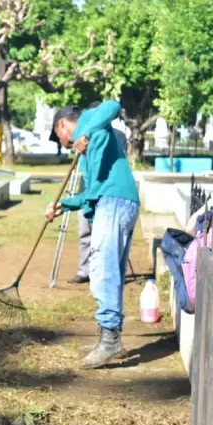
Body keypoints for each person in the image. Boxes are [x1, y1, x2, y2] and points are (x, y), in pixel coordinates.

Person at [46, 100, 140, 369]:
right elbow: (91, 193)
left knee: (101, 270)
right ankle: (111, 338)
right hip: (113, 200)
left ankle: (109, 340)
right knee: (112, 271)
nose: (63, 143)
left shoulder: (89, 120)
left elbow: (112, 105)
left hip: (115, 201)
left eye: (60, 137)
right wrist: (62, 205)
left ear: (62, 124)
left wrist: (85, 133)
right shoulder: (85, 149)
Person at [70, 101, 129, 285]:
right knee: (84, 231)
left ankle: (106, 272)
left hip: (107, 192)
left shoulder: (117, 136)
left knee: (106, 236)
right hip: (88, 190)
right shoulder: (82, 133)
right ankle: (84, 270)